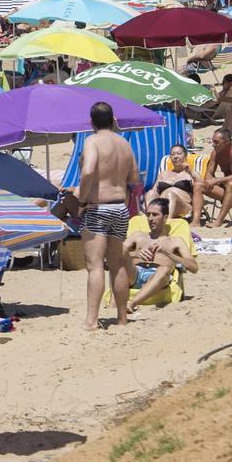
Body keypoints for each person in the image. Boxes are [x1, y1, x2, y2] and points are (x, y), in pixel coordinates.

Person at [78, 101, 139, 330]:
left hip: (97, 208)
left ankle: (91, 320)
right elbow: (134, 177)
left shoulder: (92, 141)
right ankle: (122, 318)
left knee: (94, 266)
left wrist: (83, 200)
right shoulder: (124, 143)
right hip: (119, 208)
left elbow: (89, 170)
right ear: (113, 120)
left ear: (91, 122)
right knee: (118, 265)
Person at [124, 199, 200, 309]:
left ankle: (132, 303)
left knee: (164, 269)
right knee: (120, 266)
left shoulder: (175, 241)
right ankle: (112, 306)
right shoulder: (138, 236)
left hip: (157, 278)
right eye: (148, 215)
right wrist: (136, 254)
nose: (150, 219)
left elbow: (194, 267)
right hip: (134, 274)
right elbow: (114, 256)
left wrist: (167, 253)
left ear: (165, 217)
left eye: (155, 215)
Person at [192, 128, 232, 228]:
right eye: (212, 141)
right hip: (226, 191)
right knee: (199, 185)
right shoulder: (215, 153)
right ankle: (196, 221)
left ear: (227, 142)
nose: (213, 144)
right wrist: (208, 182)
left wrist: (216, 180)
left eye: (216, 142)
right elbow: (209, 174)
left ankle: (218, 221)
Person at [149, 145, 195, 222]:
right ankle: (148, 219)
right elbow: (154, 191)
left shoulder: (190, 174)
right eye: (172, 154)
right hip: (163, 206)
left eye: (179, 153)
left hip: (183, 206)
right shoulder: (163, 174)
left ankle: (167, 222)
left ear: (185, 155)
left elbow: (201, 188)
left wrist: (190, 172)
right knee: (150, 193)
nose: (175, 156)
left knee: (170, 194)